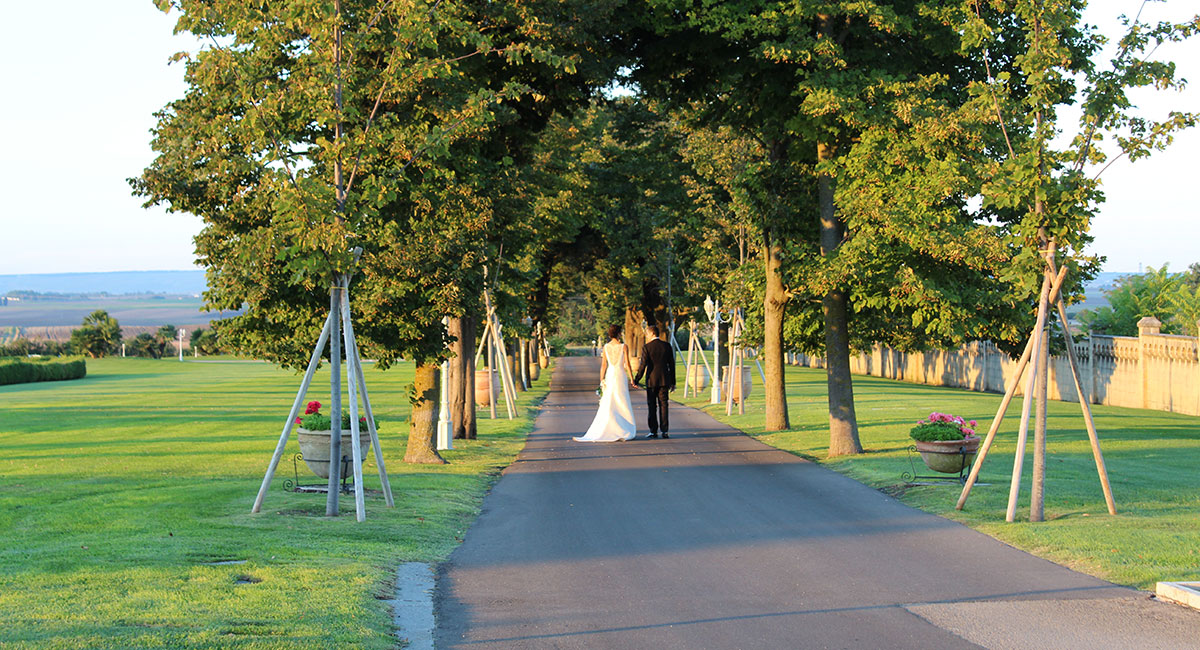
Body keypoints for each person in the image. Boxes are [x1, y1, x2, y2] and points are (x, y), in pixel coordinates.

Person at [574, 324, 637, 442]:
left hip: (610, 374)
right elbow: (627, 364)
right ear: (619, 333)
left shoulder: (606, 347)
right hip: (620, 375)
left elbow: (603, 365)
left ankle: (610, 427)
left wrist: (601, 380)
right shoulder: (624, 346)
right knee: (621, 400)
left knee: (610, 400)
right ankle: (623, 428)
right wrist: (632, 379)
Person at [634, 323, 676, 439]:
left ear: (652, 333)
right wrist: (673, 382)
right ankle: (665, 430)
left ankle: (653, 431)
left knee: (652, 406)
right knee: (664, 405)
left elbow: (642, 366)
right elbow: (671, 365)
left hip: (651, 381)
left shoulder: (647, 347)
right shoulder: (667, 346)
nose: (646, 336)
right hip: (664, 380)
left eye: (647, 334)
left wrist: (636, 380)